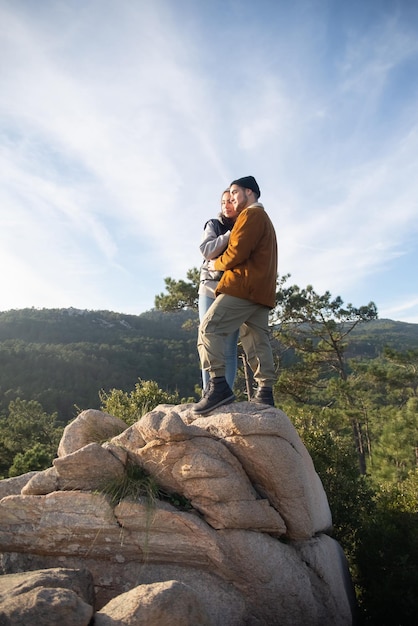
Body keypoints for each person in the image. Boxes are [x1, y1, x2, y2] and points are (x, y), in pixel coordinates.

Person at [193, 175, 277, 416]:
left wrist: (215, 264)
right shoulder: (266, 220)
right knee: (256, 341)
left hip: (242, 287)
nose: (232, 198)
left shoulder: (251, 215)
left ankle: (218, 386)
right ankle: (264, 393)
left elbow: (237, 251)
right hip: (262, 292)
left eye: (235, 193)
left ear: (249, 192)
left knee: (208, 329)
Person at [198, 189, 239, 391]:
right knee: (207, 339)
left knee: (229, 347)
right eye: (223, 202)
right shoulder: (213, 225)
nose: (226, 205)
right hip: (209, 287)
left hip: (233, 290)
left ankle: (226, 394)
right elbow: (207, 250)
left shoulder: (248, 225)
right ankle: (209, 392)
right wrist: (231, 235)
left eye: (231, 201)